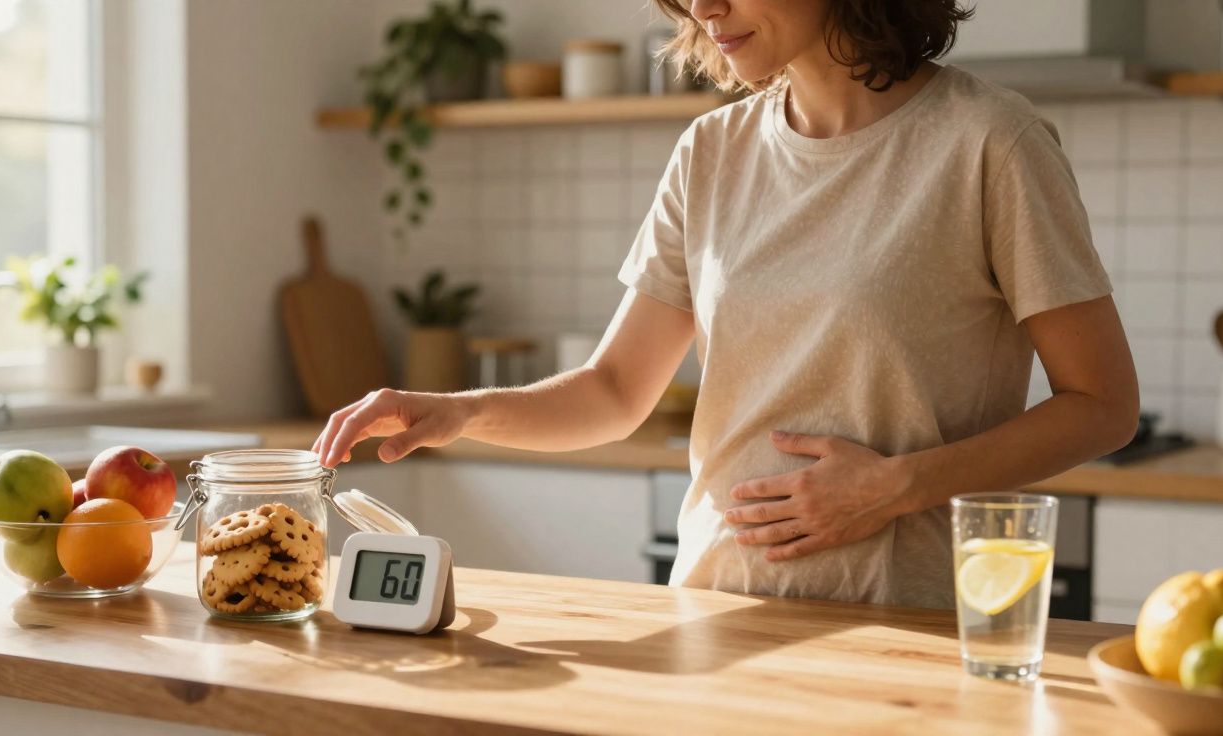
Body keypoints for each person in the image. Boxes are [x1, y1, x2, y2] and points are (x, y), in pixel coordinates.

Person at [314, 0, 1139, 609]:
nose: (704, 8)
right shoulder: (711, 152)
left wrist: (897, 486)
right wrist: (458, 412)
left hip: (904, 619)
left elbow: (1102, 406)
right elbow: (612, 392)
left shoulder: (991, 142)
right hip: (714, 606)